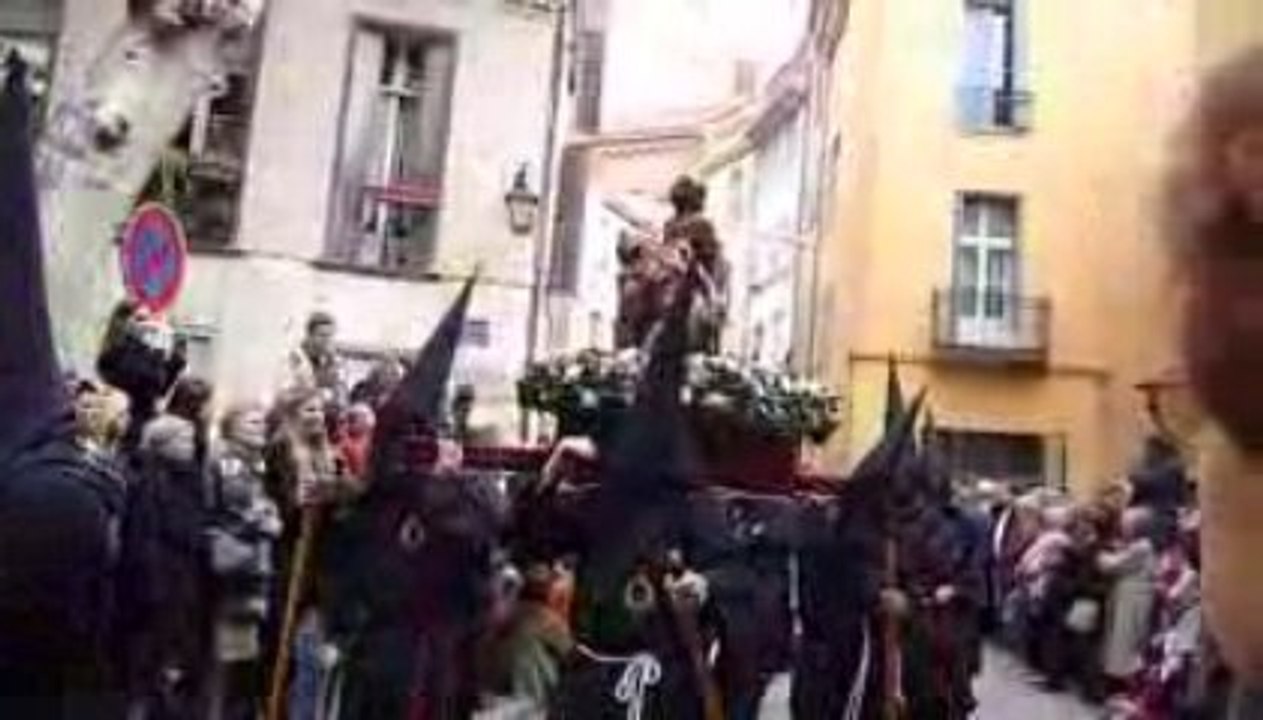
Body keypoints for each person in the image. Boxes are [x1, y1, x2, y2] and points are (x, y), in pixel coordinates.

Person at [205, 403, 282, 720]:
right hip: (235, 569)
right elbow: (244, 508)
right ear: (231, 425)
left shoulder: (254, 463)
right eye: (251, 421)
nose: (259, 425)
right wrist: (267, 519)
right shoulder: (228, 462)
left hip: (249, 571)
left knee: (240, 661)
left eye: (262, 421)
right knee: (226, 661)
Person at [1099, 507, 1158, 698]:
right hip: (1129, 597)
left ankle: (1125, 691)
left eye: (1126, 524)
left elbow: (1113, 565)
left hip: (1134, 600)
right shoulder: (1138, 545)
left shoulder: (1141, 547)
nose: (1123, 527)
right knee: (1122, 642)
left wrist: (1100, 555)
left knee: (1126, 644)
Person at [286, 311, 347, 411]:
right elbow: (289, 394)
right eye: (322, 335)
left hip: (323, 414)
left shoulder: (333, 360)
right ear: (309, 335)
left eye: (330, 335)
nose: (327, 340)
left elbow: (340, 395)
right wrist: (320, 394)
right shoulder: (295, 358)